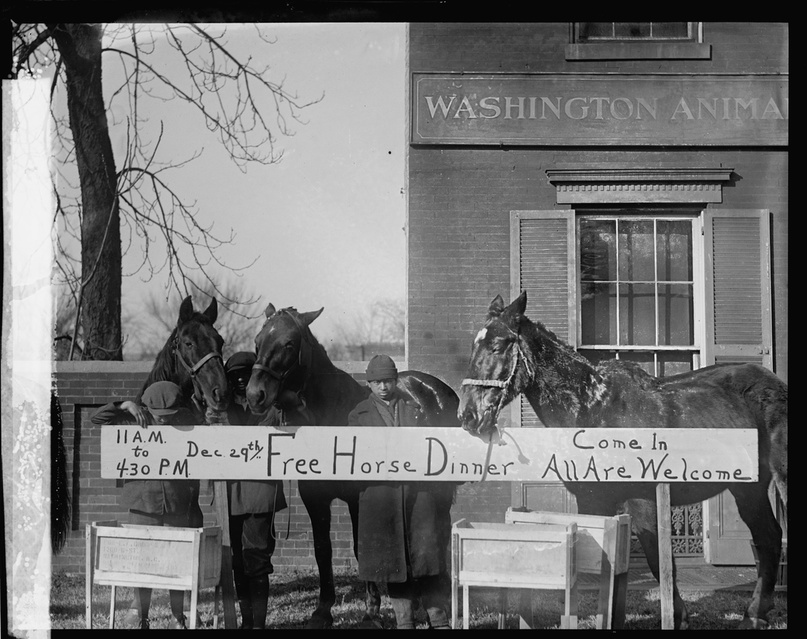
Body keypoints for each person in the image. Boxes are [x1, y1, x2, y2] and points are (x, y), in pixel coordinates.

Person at [348, 355, 454, 630]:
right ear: (369, 384)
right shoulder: (357, 416)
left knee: (426, 560)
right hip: (381, 500)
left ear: (395, 381)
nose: (383, 387)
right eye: (376, 382)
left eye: (388, 381)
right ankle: (404, 622)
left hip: (418, 497)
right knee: (394, 564)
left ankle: (439, 620)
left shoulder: (415, 409)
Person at [91, 381, 203, 630]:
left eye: (169, 415)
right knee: (143, 561)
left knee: (178, 562)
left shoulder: (186, 423)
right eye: (158, 415)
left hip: (176, 502)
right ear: (146, 407)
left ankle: (178, 615)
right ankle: (139, 612)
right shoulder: (132, 420)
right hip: (142, 504)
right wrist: (124, 405)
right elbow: (96, 419)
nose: (163, 420)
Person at [224, 351, 288, 630]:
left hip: (260, 493)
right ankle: (246, 622)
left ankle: (258, 625)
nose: (240, 381)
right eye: (234, 376)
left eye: (245, 375)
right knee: (237, 561)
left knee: (256, 560)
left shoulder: (272, 407)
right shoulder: (221, 408)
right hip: (229, 494)